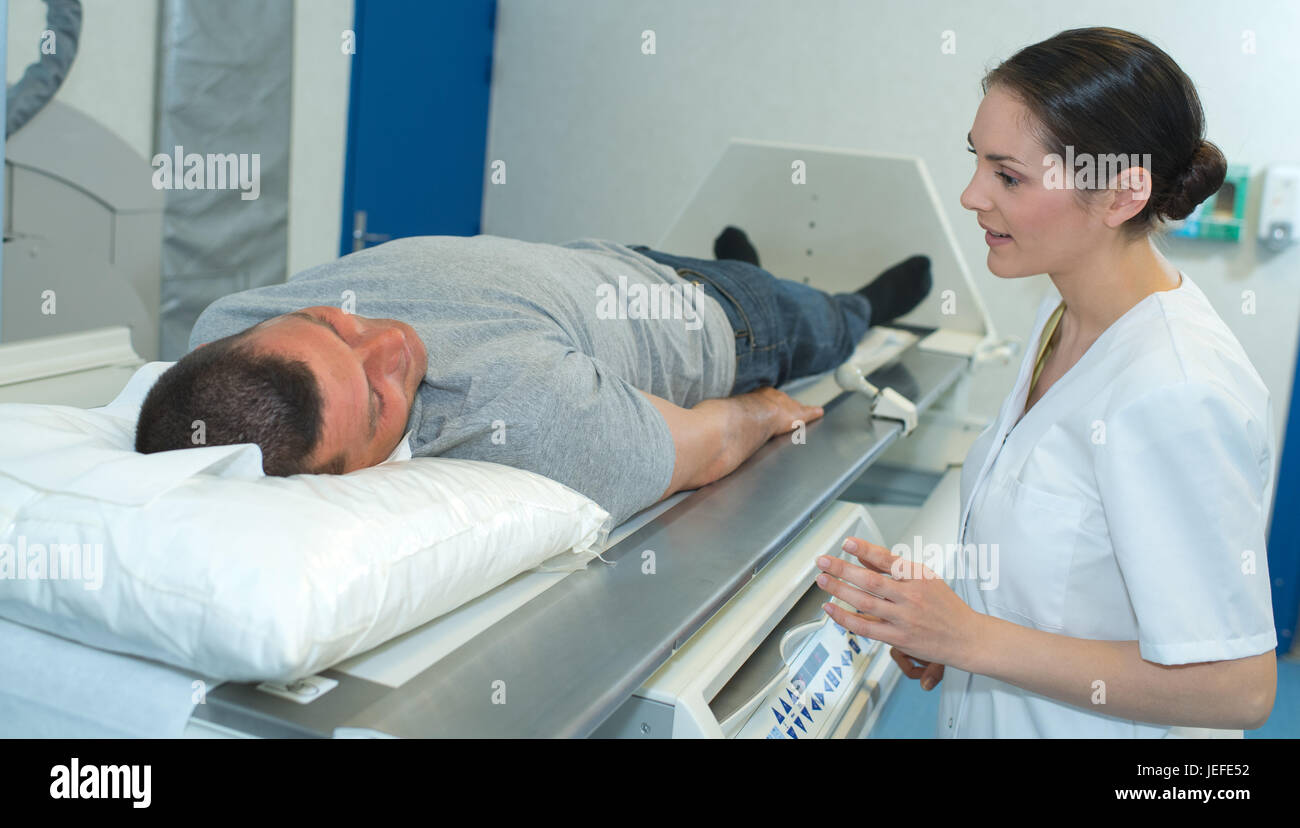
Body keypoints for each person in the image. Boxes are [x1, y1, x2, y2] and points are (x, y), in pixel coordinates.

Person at [814, 27, 1278, 737]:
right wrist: (939, 625)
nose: (973, 196)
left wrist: (967, 638)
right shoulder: (1063, 316)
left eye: (1008, 176)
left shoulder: (1179, 391)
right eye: (976, 162)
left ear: (1122, 195)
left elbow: (1235, 689)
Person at [135, 229, 932, 526]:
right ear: (346, 479)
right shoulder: (527, 414)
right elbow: (717, 438)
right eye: (378, 397)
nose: (392, 342)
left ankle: (793, 284)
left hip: (605, 261)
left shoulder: (226, 328)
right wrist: (764, 408)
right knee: (822, 327)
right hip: (728, 323)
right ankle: (862, 306)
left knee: (795, 304)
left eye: (332, 324)